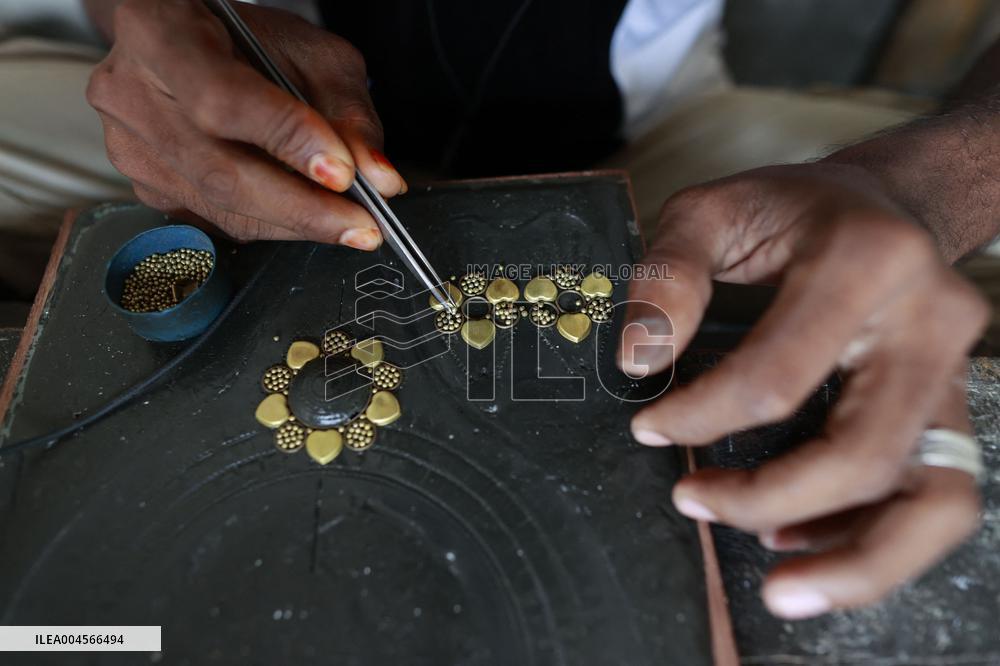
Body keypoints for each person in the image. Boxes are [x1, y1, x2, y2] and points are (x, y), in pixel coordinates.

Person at [24, 0, 1000, 619]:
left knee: (894, 257)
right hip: (262, 102)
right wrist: (148, 23)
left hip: (654, 120)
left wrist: (920, 188)